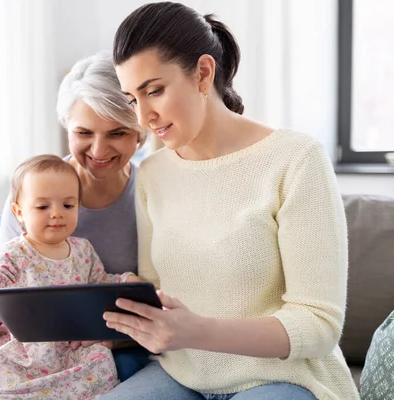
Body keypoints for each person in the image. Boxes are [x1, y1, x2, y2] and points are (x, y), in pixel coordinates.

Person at [100, 2, 360, 399]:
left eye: (154, 91)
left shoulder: (296, 159)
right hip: (180, 374)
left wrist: (196, 330)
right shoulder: (152, 173)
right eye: (133, 99)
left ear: (203, 73)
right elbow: (153, 288)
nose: (144, 117)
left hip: (282, 379)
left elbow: (319, 324)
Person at [0, 51, 151, 400]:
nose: (98, 149)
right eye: (83, 132)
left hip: (106, 342)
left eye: (117, 132)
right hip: (22, 343)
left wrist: (113, 335)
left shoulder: (150, 195)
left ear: (139, 134)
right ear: (67, 129)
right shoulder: (31, 189)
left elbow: (151, 301)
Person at [0, 154, 142, 399]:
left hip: (73, 346)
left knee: (99, 369)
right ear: (19, 212)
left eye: (68, 205)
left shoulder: (83, 250)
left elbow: (100, 282)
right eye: (43, 207)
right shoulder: (16, 253)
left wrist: (129, 282)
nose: (57, 214)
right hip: (28, 350)